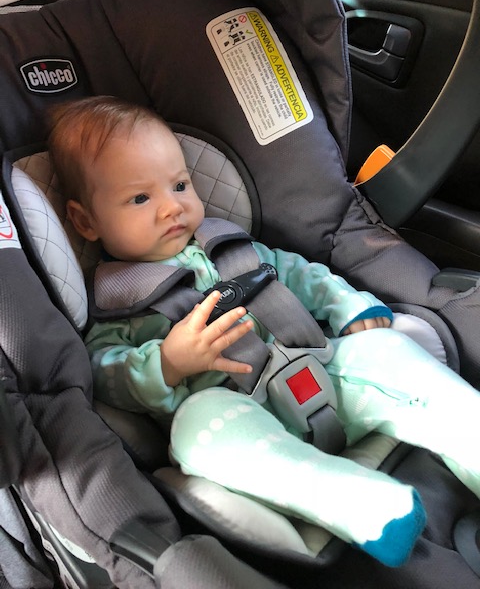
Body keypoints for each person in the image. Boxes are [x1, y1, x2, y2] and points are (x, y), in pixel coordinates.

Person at [48, 95, 480, 568]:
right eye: (140, 198)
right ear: (85, 221)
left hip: (324, 373)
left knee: (387, 349)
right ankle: (354, 502)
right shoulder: (116, 306)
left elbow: (304, 275)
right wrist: (167, 363)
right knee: (195, 430)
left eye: (180, 184)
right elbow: (104, 373)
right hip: (239, 415)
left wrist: (349, 306)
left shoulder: (231, 246)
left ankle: (470, 436)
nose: (172, 207)